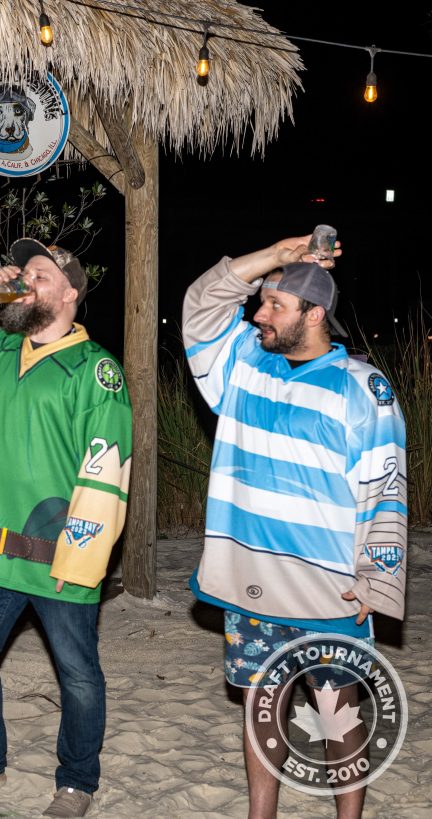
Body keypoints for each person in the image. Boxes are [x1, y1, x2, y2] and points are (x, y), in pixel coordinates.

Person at [182, 236, 407, 818]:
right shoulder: (241, 365)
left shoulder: (363, 388)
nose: (258, 314)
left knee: (338, 713)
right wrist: (277, 256)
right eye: (261, 302)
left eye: (274, 305)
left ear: (314, 314)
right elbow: (202, 302)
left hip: (327, 589)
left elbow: (385, 489)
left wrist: (379, 579)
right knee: (262, 707)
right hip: (251, 583)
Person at [0, 239, 132, 817]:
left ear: (70, 292)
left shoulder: (96, 370)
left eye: (39, 274)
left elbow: (106, 472)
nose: (25, 281)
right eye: (22, 273)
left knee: (77, 676)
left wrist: (81, 561)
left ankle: (77, 782)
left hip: (58, 556)